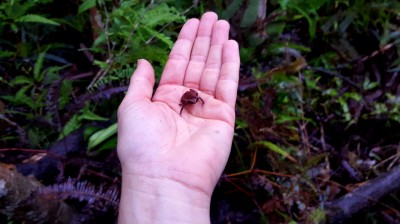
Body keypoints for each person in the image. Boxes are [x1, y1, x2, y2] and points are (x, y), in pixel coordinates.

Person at [117, 11, 240, 223]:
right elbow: (187, 101)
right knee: (189, 100)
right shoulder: (185, 101)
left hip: (190, 96)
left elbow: (196, 97)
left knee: (195, 98)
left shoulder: (195, 96)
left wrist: (198, 100)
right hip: (184, 99)